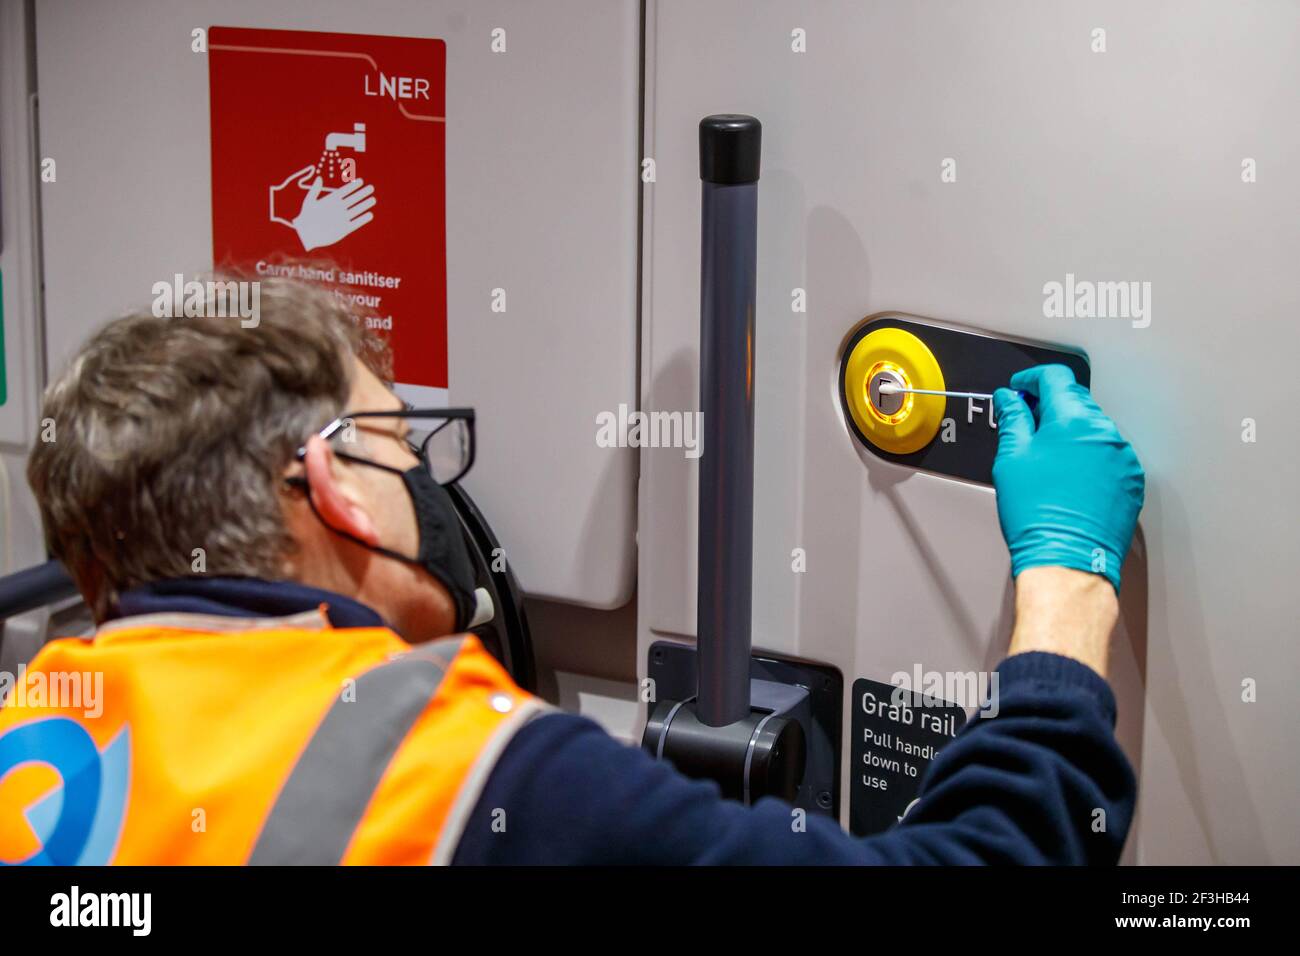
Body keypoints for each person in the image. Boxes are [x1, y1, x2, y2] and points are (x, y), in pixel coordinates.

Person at [1, 276, 1144, 865]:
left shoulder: (34, 728)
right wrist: (1067, 577)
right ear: (337, 481)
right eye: (406, 443)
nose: (428, 485)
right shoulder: (450, 770)